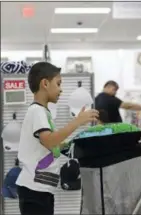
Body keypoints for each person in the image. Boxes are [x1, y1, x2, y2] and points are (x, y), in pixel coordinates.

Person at [16, 62, 99, 215]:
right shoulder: (37, 111)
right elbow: (49, 140)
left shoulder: (43, 113)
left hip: (42, 189)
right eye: (59, 83)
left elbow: (52, 146)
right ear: (45, 83)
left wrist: (75, 146)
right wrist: (77, 122)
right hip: (34, 190)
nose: (61, 89)